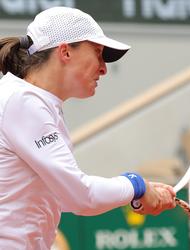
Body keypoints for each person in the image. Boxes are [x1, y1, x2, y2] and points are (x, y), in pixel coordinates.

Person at [0, 6, 176, 249]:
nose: (104, 68)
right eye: (98, 53)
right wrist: (136, 185)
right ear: (65, 52)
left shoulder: (28, 100)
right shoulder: (22, 102)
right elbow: (81, 197)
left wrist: (135, 191)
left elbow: (63, 196)